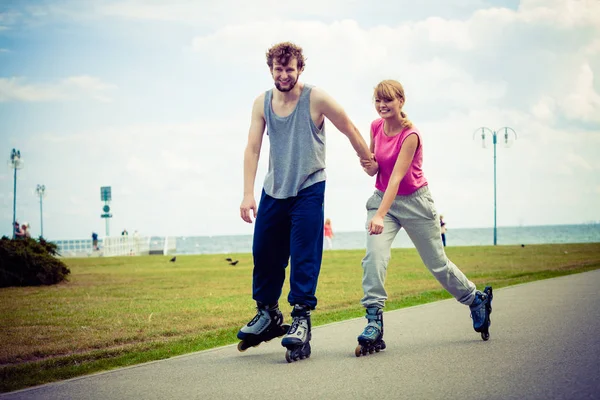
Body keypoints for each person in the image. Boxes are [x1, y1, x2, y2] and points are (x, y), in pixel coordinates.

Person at [237, 41, 374, 362]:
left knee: (303, 255)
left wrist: (366, 159)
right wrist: (247, 193)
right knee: (264, 253)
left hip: (309, 188)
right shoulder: (262, 103)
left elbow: (348, 127)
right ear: (271, 69)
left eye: (289, 69)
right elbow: (253, 148)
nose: (284, 74)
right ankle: (268, 313)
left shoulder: (317, 98)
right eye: (278, 69)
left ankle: (300, 318)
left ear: (300, 69)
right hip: (274, 190)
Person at [355, 79, 493, 356]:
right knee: (375, 257)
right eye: (378, 101)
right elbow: (377, 172)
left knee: (437, 264)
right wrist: (368, 164)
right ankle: (373, 320)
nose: (382, 106)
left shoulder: (411, 135)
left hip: (415, 203)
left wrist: (380, 215)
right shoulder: (375, 127)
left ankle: (475, 299)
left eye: (388, 101)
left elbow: (396, 177)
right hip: (383, 200)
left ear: (401, 101)